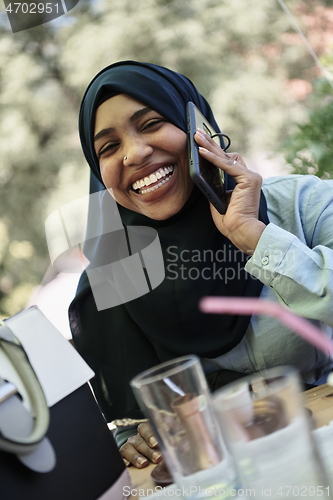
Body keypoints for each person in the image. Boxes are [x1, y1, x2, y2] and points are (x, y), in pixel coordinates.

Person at [69, 61, 333, 469]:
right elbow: (130, 415)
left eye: (153, 123)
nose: (135, 153)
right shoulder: (113, 277)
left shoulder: (303, 205)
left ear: (199, 126)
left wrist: (254, 237)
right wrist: (132, 436)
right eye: (108, 147)